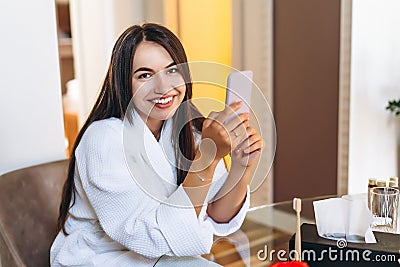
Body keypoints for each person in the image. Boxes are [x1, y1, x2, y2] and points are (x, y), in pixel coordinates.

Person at [51, 23, 263, 266]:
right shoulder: (102, 141)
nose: (164, 87)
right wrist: (207, 158)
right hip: (100, 258)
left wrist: (241, 167)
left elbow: (215, 214)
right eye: (145, 75)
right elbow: (151, 238)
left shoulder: (187, 129)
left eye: (172, 70)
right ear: (124, 83)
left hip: (160, 257)